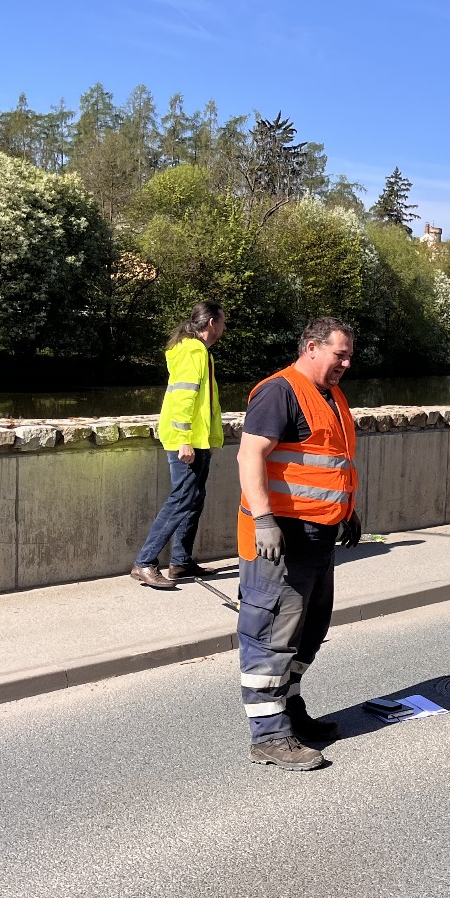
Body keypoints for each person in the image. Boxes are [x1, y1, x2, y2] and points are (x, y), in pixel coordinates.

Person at [234, 317, 364, 771]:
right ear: (312, 346)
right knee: (271, 635)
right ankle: (268, 736)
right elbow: (250, 455)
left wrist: (348, 511)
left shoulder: (329, 395)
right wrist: (265, 520)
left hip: (319, 535)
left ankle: (289, 712)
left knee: (307, 632)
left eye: (349, 355)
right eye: (339, 354)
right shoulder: (279, 391)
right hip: (281, 540)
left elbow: (330, 463)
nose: (347, 363)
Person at [131, 300, 226, 590]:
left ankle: (181, 561)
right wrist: (184, 439)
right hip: (186, 441)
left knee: (194, 498)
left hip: (197, 439)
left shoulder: (198, 351)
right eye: (222, 321)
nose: (224, 327)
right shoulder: (192, 351)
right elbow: (184, 397)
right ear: (211, 323)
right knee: (182, 498)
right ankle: (145, 563)